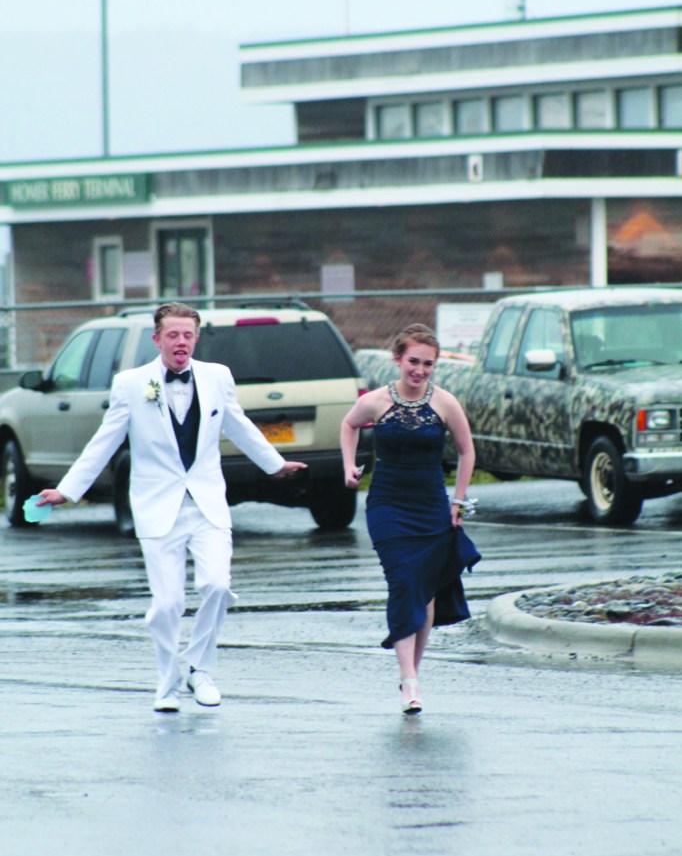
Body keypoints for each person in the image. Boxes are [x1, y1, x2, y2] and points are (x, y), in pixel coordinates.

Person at [38, 302, 307, 713]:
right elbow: (104, 440)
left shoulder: (218, 377)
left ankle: (200, 667)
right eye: (172, 335)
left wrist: (273, 463)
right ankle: (167, 682)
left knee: (216, 585)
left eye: (188, 335)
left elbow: (237, 424)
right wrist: (68, 490)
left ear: (196, 338)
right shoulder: (131, 383)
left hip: (207, 504)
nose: (181, 342)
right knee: (166, 604)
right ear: (157, 338)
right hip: (156, 505)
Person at [341, 323, 478, 715]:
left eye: (428, 364)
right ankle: (411, 681)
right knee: (403, 582)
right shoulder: (376, 401)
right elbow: (348, 425)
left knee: (426, 590)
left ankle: (409, 677)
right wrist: (349, 466)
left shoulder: (447, 403)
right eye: (413, 362)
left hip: (431, 506)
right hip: (387, 505)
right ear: (398, 359)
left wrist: (459, 501)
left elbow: (468, 453)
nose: (419, 370)